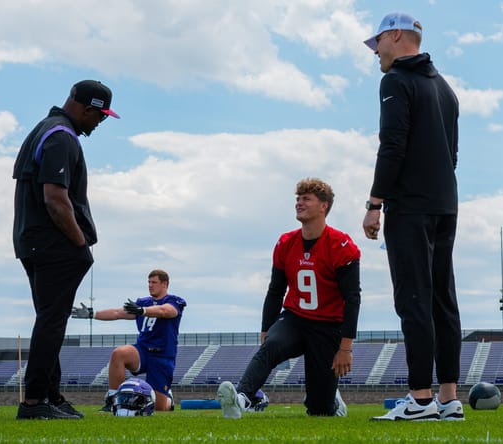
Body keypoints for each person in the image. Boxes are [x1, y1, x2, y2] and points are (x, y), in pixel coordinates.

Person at [362, 12, 463, 421]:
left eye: (378, 44)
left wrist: (374, 203)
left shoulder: (396, 81)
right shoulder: (446, 88)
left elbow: (392, 146)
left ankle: (420, 399)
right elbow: (453, 154)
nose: (375, 54)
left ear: (397, 36)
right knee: (443, 299)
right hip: (445, 204)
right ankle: (449, 398)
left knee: (414, 300)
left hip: (412, 207)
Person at [12, 79, 119, 420]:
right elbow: (55, 199)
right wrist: (79, 242)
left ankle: (50, 396)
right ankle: (34, 402)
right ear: (86, 109)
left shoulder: (46, 129)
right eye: (100, 116)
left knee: (51, 320)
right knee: (52, 321)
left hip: (33, 241)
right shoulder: (62, 136)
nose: (99, 123)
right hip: (53, 244)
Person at [217, 178, 361, 418]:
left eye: (306, 199)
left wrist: (345, 347)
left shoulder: (340, 244)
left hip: (328, 326)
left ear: (323, 206)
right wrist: (266, 329)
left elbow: (352, 298)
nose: (299, 203)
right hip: (296, 318)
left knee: (319, 410)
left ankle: (332, 401)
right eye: (297, 199)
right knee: (272, 345)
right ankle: (240, 400)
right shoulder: (286, 242)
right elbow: (276, 290)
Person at [71, 269, 186, 412]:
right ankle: (112, 400)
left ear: (165, 284)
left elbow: (165, 311)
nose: (150, 285)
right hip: (142, 350)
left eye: (154, 282)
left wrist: (143, 310)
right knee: (119, 353)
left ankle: (169, 399)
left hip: (162, 355)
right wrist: (92, 314)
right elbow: (117, 313)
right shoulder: (143, 302)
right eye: (149, 282)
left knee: (160, 407)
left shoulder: (173, 301)